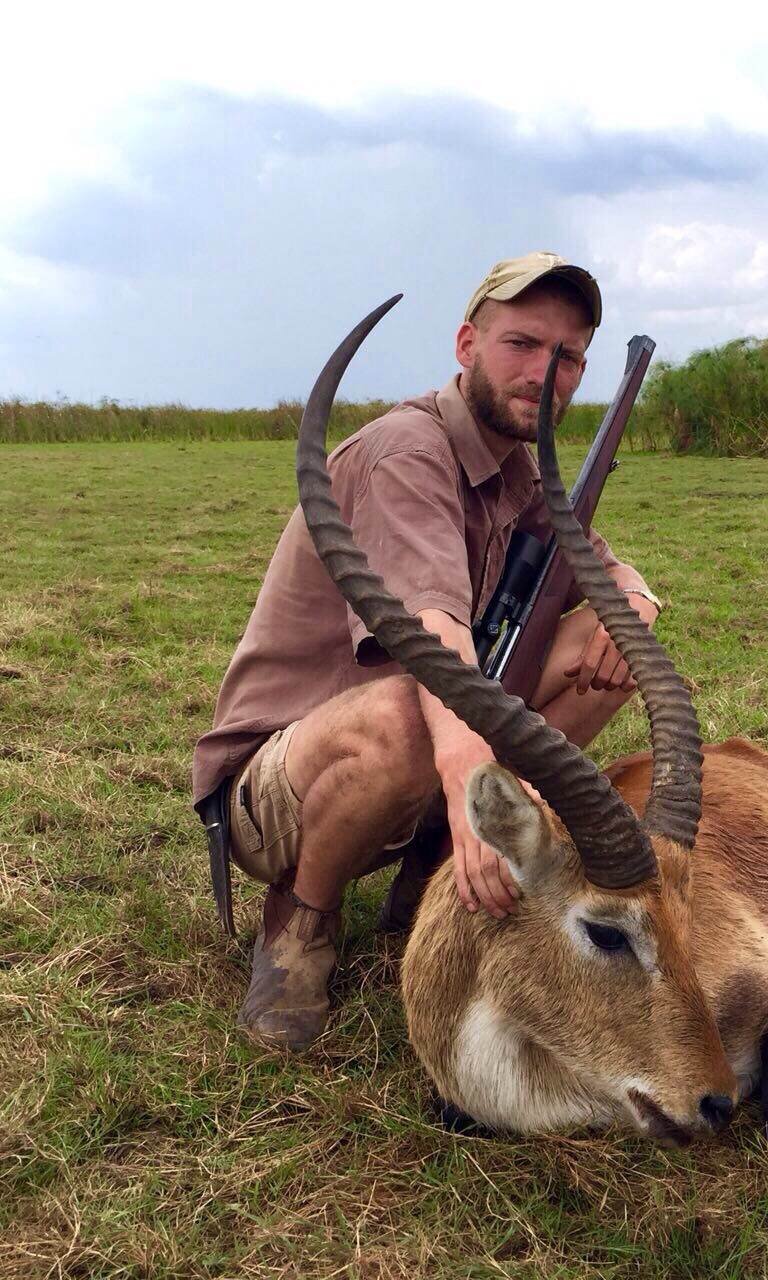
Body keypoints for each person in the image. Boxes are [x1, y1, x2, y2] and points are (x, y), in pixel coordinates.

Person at [192, 251, 664, 1052]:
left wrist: (639, 606)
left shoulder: (520, 467)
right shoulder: (405, 450)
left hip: (403, 752)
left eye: (568, 356)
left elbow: (604, 568)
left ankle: (431, 875)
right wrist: (470, 780)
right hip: (280, 787)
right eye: (521, 343)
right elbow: (433, 639)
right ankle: (300, 923)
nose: (544, 373)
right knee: (421, 711)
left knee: (611, 634)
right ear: (465, 344)